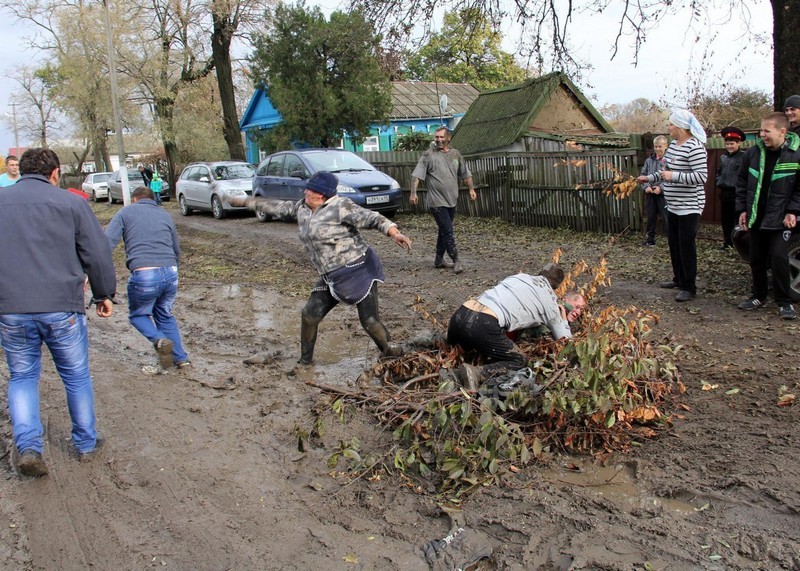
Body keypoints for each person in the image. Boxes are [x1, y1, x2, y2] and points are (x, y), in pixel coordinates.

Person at [0, 148, 116, 477]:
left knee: (22, 377)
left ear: (19, 171)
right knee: (76, 376)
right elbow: (96, 252)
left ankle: (29, 447)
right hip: (61, 306)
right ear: (55, 174)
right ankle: (85, 444)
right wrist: (103, 294)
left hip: (11, 309)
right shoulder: (72, 203)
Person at [240, 171, 412, 365]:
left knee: (370, 322)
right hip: (331, 275)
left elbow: (373, 218)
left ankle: (395, 359)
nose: (305, 191)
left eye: (310, 189)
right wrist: (246, 202)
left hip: (357, 270)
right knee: (309, 315)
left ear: (321, 194)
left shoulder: (341, 207)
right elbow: (279, 207)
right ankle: (305, 362)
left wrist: (394, 233)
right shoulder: (302, 208)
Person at [447, 267, 586, 386]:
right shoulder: (549, 301)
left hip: (460, 315)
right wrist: (563, 320)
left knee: (460, 346)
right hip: (483, 324)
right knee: (519, 360)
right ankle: (475, 374)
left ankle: (439, 354)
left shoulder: (519, 277)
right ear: (556, 287)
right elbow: (565, 342)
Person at [105, 186, 190, 369]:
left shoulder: (125, 212)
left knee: (139, 315)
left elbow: (107, 243)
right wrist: (173, 269)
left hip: (145, 273)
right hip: (170, 272)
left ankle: (160, 341)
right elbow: (176, 248)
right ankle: (181, 359)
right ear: (152, 199)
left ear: (134, 199)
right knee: (164, 315)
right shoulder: (165, 214)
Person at [735, 112, 800, 320]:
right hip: (757, 216)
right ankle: (758, 296)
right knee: (757, 258)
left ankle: (785, 302)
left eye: (766, 131)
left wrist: (793, 211)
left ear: (782, 131)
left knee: (779, 257)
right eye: (761, 130)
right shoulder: (753, 153)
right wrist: (742, 210)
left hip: (781, 218)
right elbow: (742, 183)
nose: (762, 134)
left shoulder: (795, 154)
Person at [638, 109, 708, 302]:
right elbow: (664, 171)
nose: (669, 128)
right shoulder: (675, 146)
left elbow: (701, 177)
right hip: (674, 205)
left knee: (686, 246)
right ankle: (678, 279)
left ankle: (689, 287)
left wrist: (673, 176)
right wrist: (649, 178)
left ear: (681, 127)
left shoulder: (695, 147)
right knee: (674, 244)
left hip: (690, 206)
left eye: (671, 124)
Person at [410, 127, 476, 274]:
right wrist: (413, 193)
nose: (438, 140)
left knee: (444, 230)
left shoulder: (455, 155)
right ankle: (456, 260)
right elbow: (417, 176)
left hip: (452, 200)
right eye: (436, 137)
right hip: (436, 201)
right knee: (448, 230)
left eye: (441, 137)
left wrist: (471, 188)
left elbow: (465, 174)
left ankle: (438, 260)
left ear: (448, 138)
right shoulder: (428, 155)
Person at [715, 127, 748, 249]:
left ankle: (739, 244)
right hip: (725, 192)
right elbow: (719, 172)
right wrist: (719, 181)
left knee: (738, 219)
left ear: (739, 143)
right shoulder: (724, 157)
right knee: (726, 220)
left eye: (732, 144)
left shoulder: (744, 157)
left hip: (737, 193)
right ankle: (727, 242)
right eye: (727, 143)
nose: (729, 146)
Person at [639, 135, 669, 246]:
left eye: (660, 146)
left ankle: (672, 240)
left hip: (663, 194)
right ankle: (650, 240)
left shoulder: (669, 160)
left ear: (666, 146)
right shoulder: (648, 160)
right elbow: (643, 175)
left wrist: (661, 187)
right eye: (655, 146)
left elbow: (671, 178)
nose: (657, 149)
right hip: (650, 193)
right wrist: (646, 186)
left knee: (667, 217)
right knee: (651, 217)